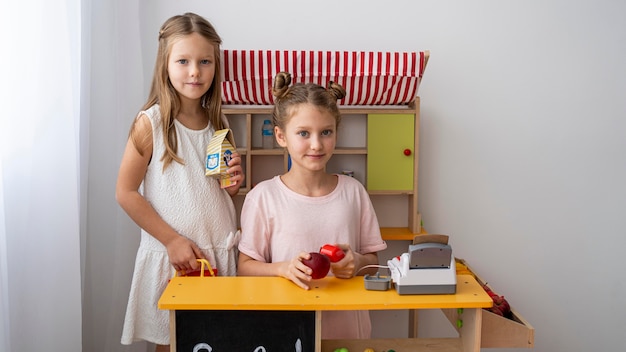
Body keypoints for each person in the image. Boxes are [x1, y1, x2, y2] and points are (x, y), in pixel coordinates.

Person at [115, 13, 244, 351]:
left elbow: (223, 189)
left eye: (205, 62)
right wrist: (172, 240)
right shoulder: (152, 123)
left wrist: (233, 183)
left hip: (215, 256)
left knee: (217, 341)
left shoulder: (219, 121)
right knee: (172, 342)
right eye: (183, 61)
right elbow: (125, 193)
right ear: (165, 64)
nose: (194, 72)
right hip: (175, 258)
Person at [237, 72, 387, 339]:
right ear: (281, 136)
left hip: (347, 332)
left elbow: (373, 263)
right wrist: (282, 268)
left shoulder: (353, 192)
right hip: (285, 332)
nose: (316, 145)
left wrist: (357, 261)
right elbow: (245, 267)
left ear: (336, 133)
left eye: (326, 132)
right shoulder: (263, 196)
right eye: (304, 133)